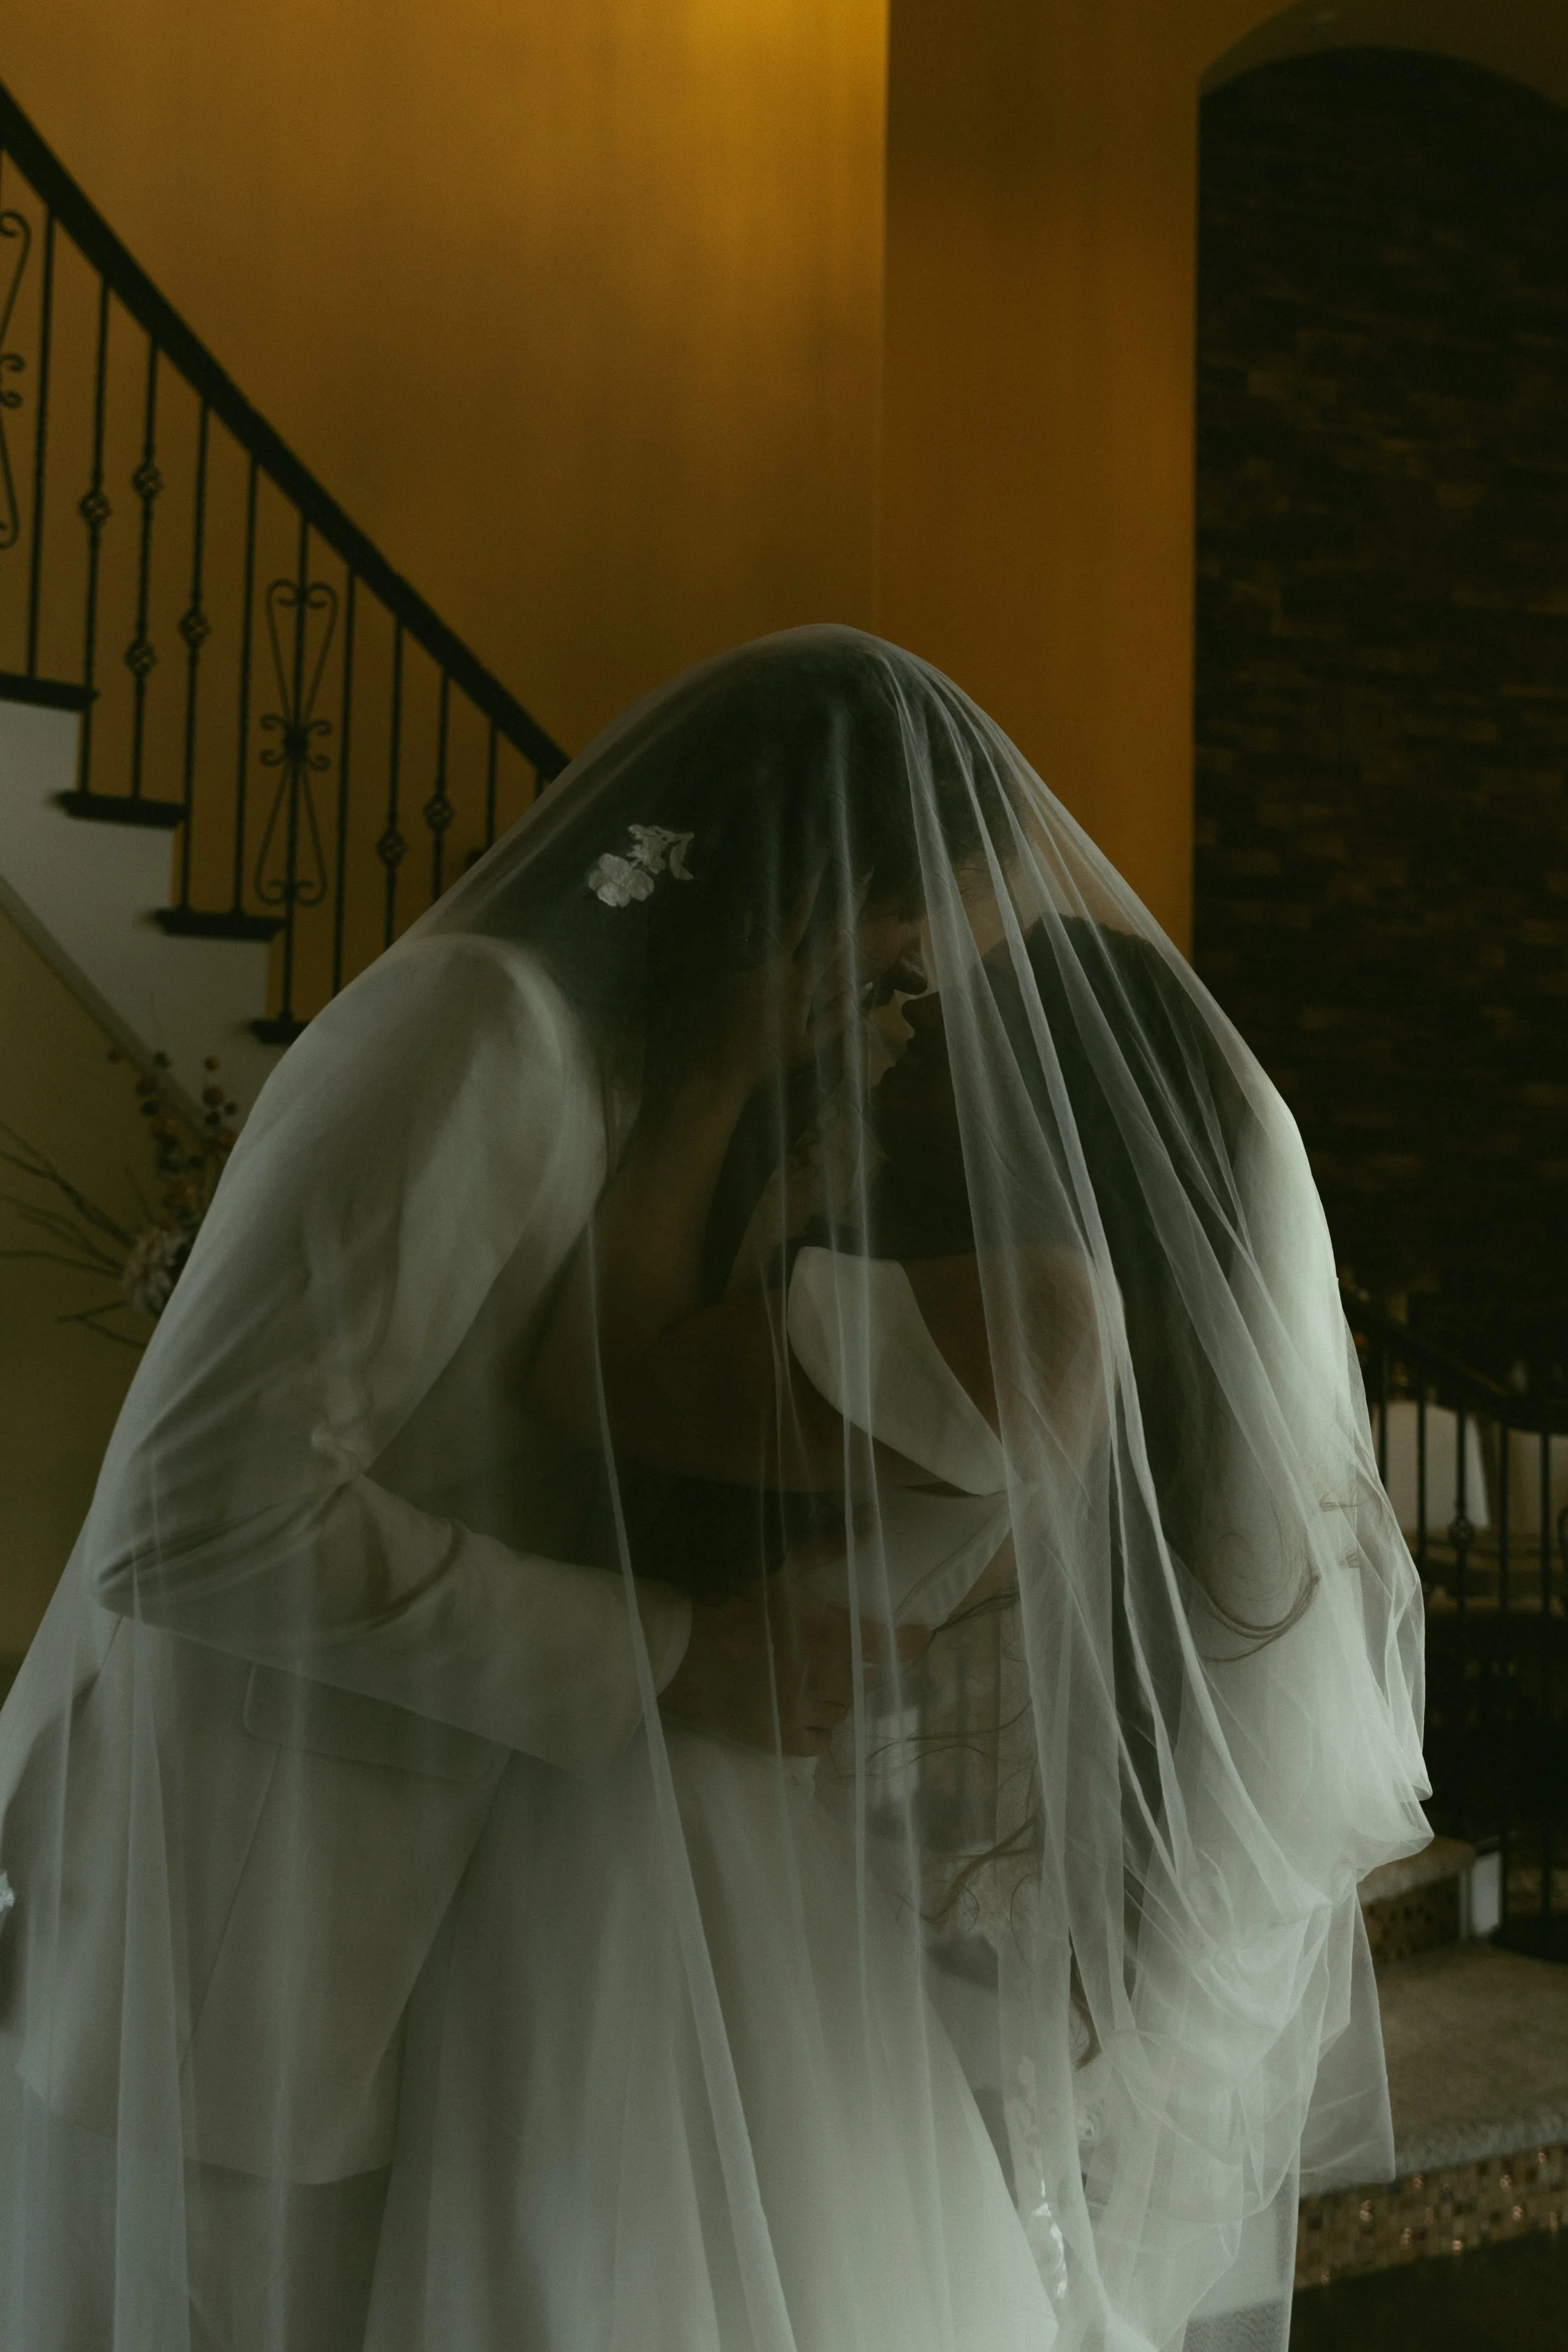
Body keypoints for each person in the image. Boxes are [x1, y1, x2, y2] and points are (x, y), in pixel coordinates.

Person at [0, 627, 1428, 2352]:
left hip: (520, 1914)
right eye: (909, 933)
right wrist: (666, 1653)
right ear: (809, 891)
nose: (911, 994)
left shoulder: (692, 1120)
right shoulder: (485, 1032)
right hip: (271, 1928)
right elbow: (200, 1507)